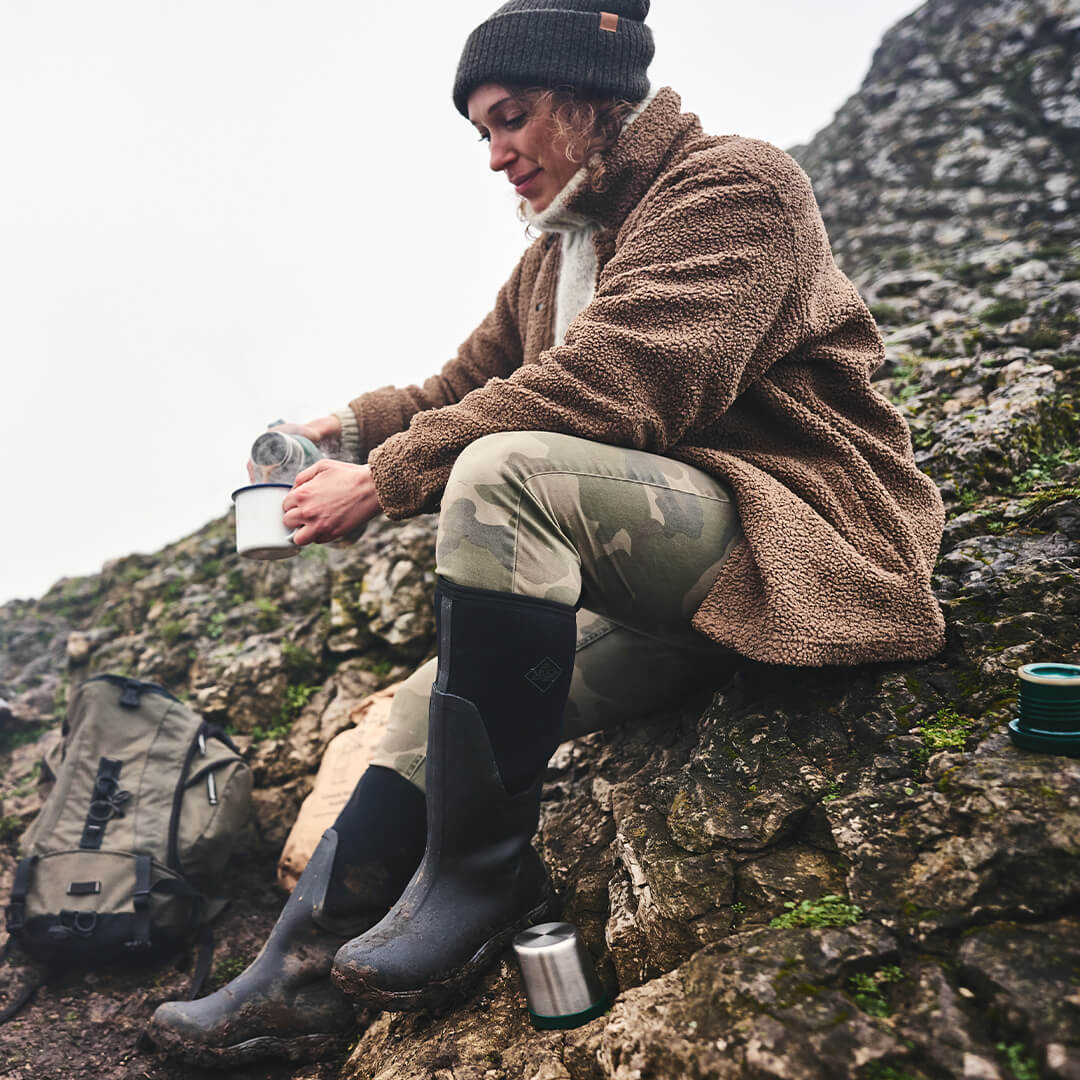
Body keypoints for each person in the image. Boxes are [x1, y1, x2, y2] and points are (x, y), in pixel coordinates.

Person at [149, 0, 946, 1065]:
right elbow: (463, 384)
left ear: (591, 98)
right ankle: (295, 977)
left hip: (795, 545)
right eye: (481, 130)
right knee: (427, 707)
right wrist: (334, 429)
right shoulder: (561, 247)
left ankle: (478, 878)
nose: (495, 154)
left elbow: (626, 384)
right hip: (683, 586)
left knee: (503, 472)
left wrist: (382, 482)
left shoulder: (734, 186)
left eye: (511, 118)